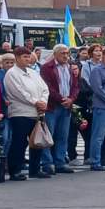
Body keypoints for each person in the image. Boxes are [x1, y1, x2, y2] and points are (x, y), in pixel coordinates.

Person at [4, 46, 51, 180]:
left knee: (37, 142)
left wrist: (43, 101)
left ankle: (35, 169)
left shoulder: (33, 72)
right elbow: (18, 92)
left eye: (28, 56)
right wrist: (35, 101)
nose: (27, 59)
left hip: (37, 113)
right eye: (24, 57)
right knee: (19, 142)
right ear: (17, 58)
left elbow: (44, 88)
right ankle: (15, 170)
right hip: (21, 113)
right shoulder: (12, 73)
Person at [39, 45, 80, 174]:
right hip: (53, 106)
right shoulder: (47, 68)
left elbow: (75, 86)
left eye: (67, 53)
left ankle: (60, 162)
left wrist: (71, 99)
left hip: (66, 106)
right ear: (55, 54)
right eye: (63, 53)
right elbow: (47, 87)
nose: (66, 55)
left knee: (63, 136)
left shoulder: (69, 67)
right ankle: (47, 163)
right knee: (49, 136)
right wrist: (62, 99)